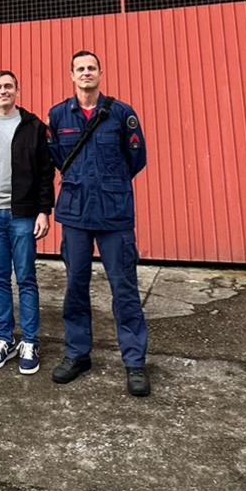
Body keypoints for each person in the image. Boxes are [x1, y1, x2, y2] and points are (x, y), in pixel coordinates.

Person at [48, 50, 150, 396]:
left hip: (114, 215)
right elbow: (59, 159)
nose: (86, 73)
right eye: (80, 69)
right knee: (75, 286)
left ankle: (134, 361)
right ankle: (78, 354)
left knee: (124, 289)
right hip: (76, 214)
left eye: (91, 68)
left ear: (100, 74)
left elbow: (136, 158)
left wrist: (111, 183)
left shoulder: (121, 114)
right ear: (71, 75)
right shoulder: (59, 114)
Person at [0, 70, 54, 375]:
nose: (3, 91)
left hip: (23, 215)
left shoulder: (33, 126)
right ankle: (4, 339)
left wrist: (44, 210)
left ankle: (30, 341)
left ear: (17, 90)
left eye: (8, 86)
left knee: (26, 277)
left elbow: (46, 173)